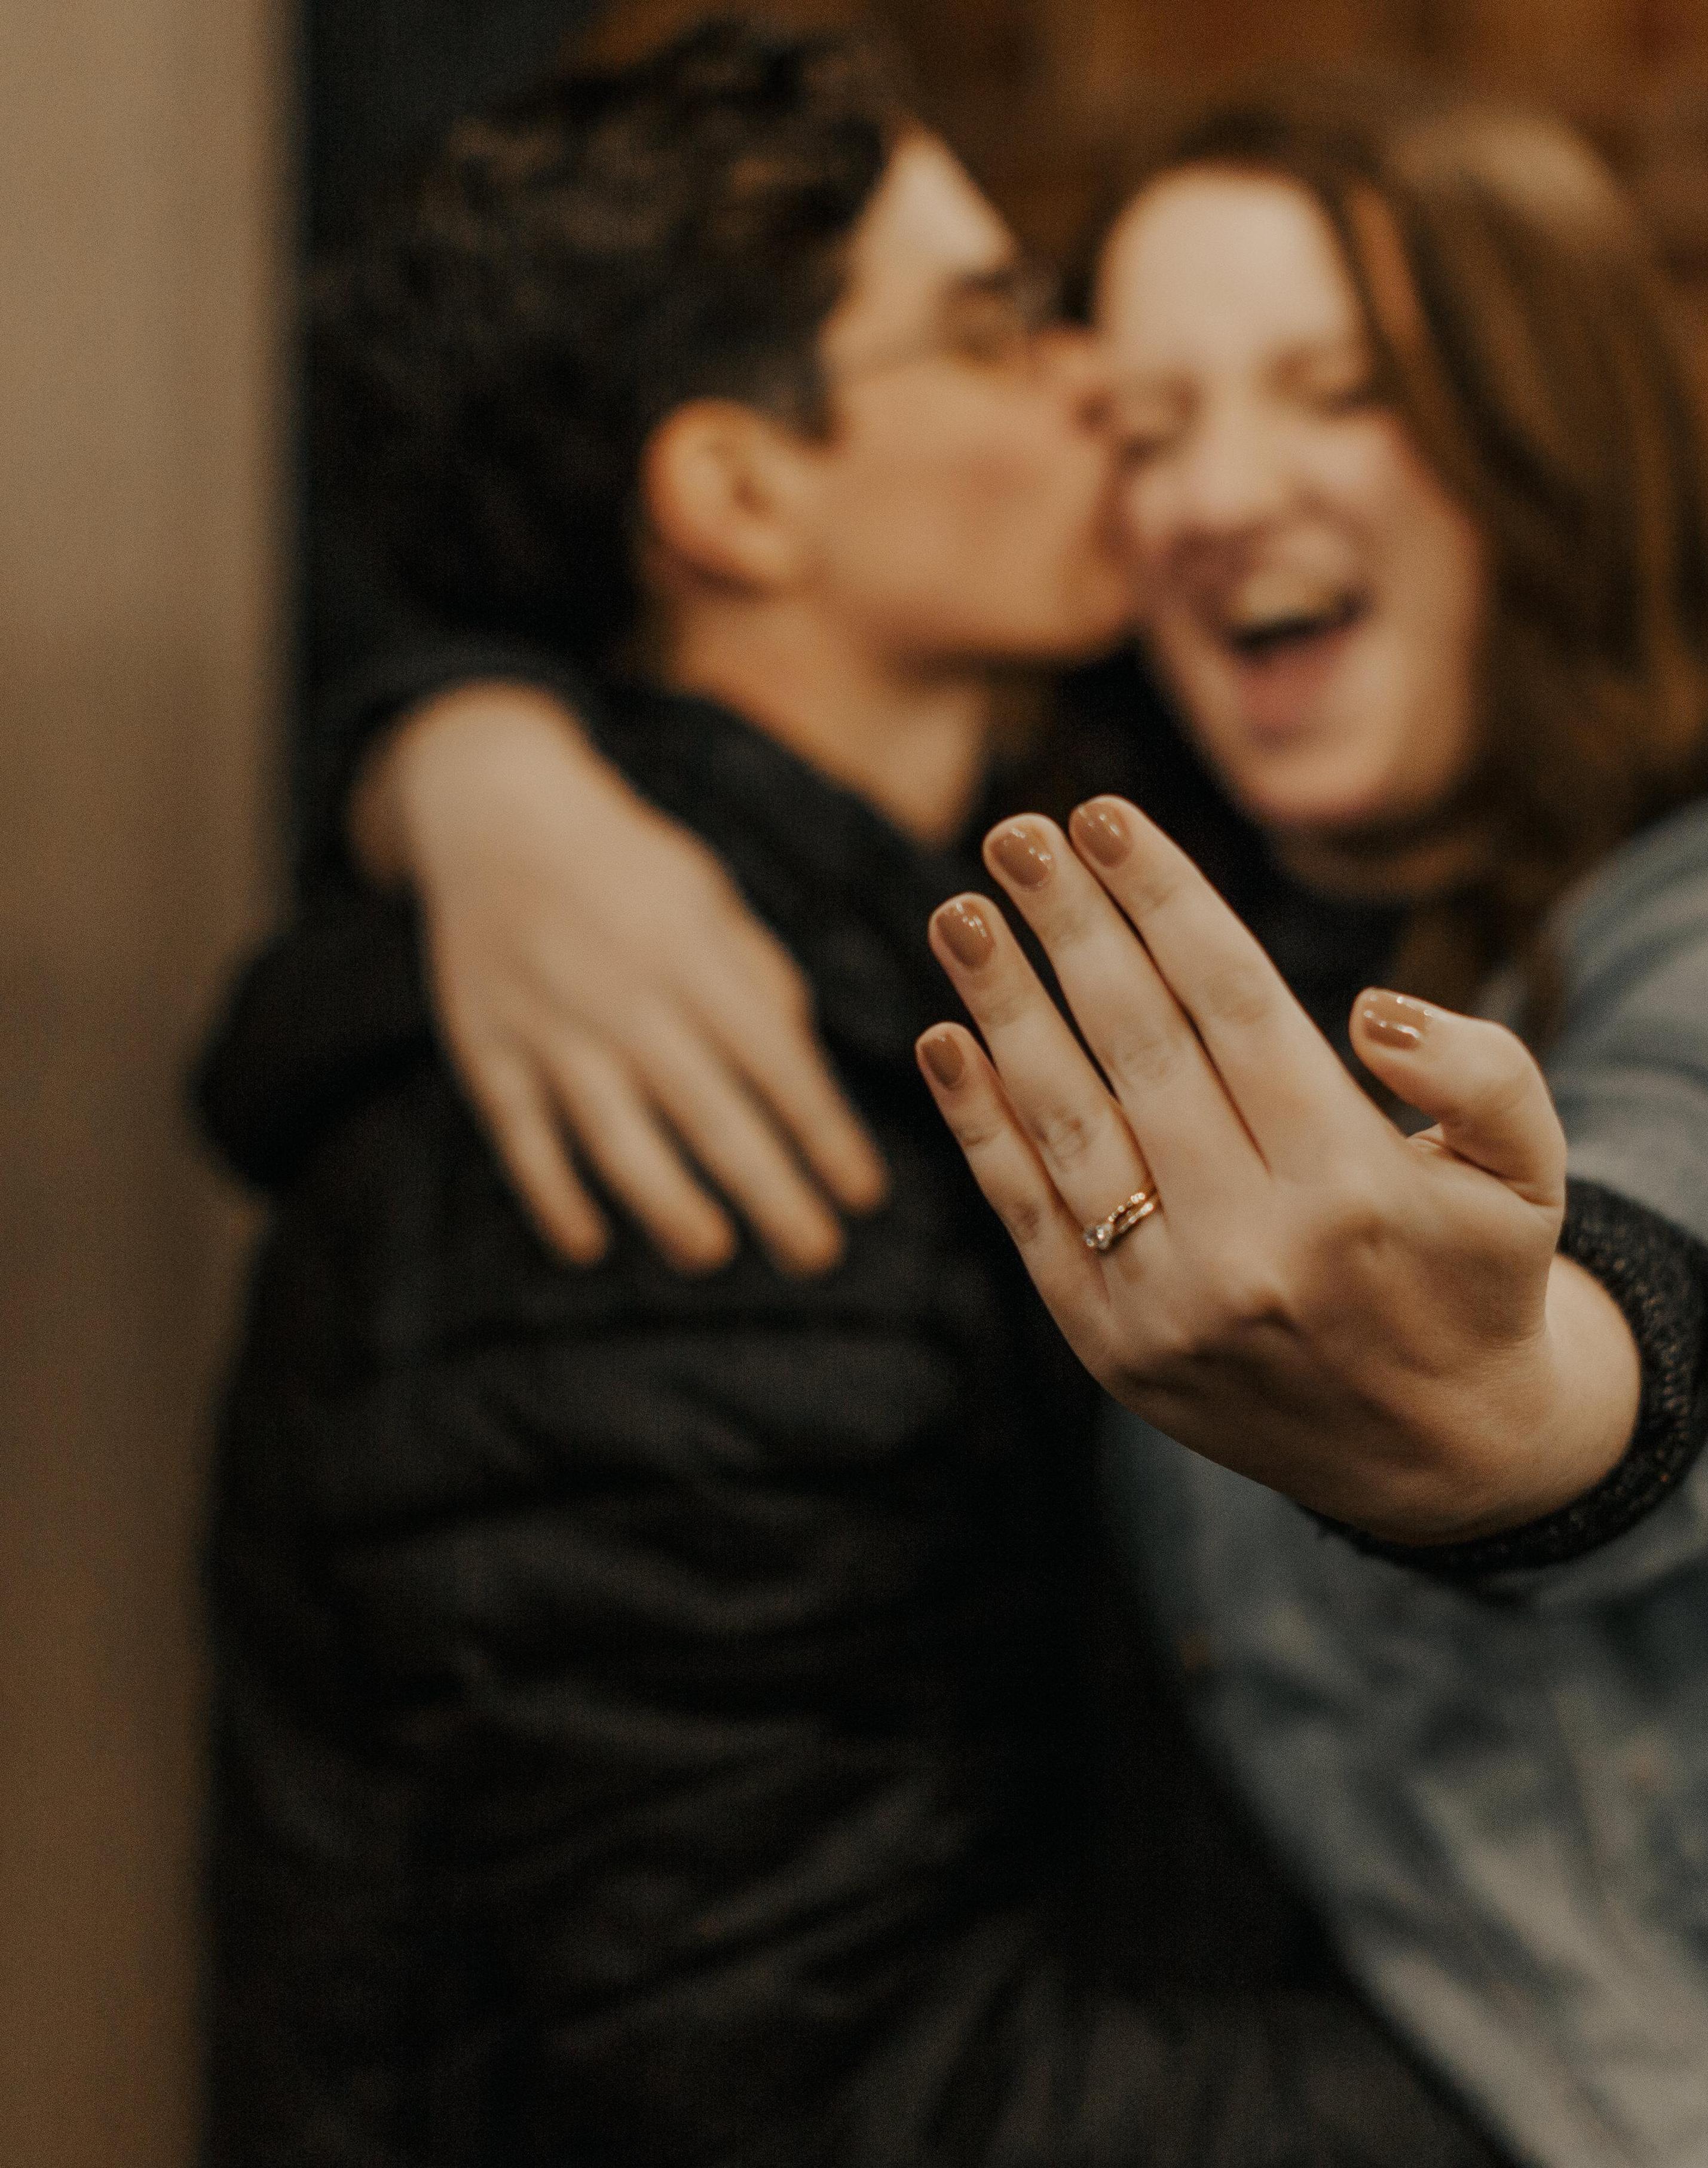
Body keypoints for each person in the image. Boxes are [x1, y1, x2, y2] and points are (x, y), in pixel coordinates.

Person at [270, 73, 1708, 2167]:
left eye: (1333, 392)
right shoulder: (962, 965)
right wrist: (460, 760)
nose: (1191, 485)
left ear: (1542, 443)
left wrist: (1530, 1387)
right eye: (1130, 413)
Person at [195, 25, 1516, 2164]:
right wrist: (1607, 2096)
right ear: (735, 492)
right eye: (993, 327)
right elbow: (824, 2080)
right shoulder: (641, 1124)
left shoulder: (952, 895)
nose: (1095, 377)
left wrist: (442, 746)